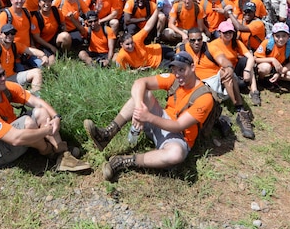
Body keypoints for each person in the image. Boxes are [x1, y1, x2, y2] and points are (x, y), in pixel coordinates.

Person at [83, 51, 216, 181]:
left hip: (179, 137)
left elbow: (178, 125)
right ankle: (106, 135)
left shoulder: (204, 97)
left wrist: (147, 117)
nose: (178, 74)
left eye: (182, 70)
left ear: (192, 68)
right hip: (161, 119)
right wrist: (140, 107)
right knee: (143, 95)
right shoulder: (174, 79)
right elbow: (140, 82)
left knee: (176, 154)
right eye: (175, 70)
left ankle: (123, 161)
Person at [0, 62, 89, 172]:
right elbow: (15, 139)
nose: (3, 78)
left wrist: (56, 117)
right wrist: (45, 130)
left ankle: (62, 153)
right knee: (28, 123)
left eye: (3, 73)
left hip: (10, 132)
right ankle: (50, 152)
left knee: (41, 112)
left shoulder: (5, 88)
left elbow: (37, 102)